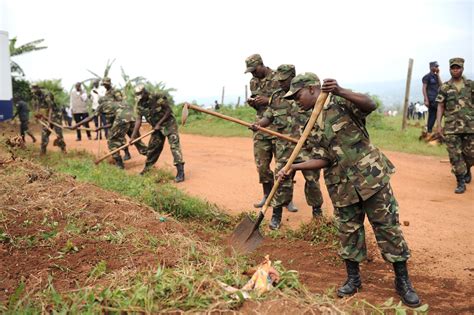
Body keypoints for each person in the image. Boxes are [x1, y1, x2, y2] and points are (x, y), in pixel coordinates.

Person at [279, 73, 420, 307]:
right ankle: (353, 279)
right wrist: (293, 166)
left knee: (388, 229)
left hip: (371, 179)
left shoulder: (341, 102)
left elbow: (370, 104)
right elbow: (323, 159)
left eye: (298, 95)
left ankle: (402, 282)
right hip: (341, 186)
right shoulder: (309, 123)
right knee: (348, 232)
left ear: (313, 89)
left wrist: (341, 90)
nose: (296, 101)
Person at [251, 64, 323, 229]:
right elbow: (269, 116)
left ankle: (317, 214)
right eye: (278, 80)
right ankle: (276, 215)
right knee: (282, 181)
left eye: (283, 81)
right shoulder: (276, 97)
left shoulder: (306, 96)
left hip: (307, 148)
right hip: (284, 149)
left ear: (292, 77)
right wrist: (259, 124)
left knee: (312, 181)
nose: (280, 84)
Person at [70, 77, 147, 168]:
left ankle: (119, 164)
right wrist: (101, 128)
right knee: (136, 139)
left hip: (122, 118)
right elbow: (113, 123)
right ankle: (150, 155)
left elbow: (90, 117)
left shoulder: (102, 105)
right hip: (132, 116)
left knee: (112, 140)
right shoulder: (115, 104)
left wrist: (77, 125)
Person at [245, 54, 280, 208]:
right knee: (262, 165)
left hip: (279, 126)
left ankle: (285, 198)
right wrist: (253, 103)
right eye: (250, 71)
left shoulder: (279, 77)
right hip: (261, 125)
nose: (253, 74)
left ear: (261, 64)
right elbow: (259, 106)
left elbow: (290, 99)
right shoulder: (253, 81)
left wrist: (269, 100)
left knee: (282, 165)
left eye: (254, 70)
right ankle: (267, 195)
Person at [435, 57, 473, 194]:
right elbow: (440, 105)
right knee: (455, 155)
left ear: (462, 69)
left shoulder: (470, 85)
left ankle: (467, 168)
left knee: (470, 154)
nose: (455, 70)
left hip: (470, 126)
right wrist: (439, 125)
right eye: (453, 68)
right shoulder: (445, 87)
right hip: (451, 127)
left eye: (458, 68)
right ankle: (460, 181)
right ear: (450, 69)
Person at [132, 85, 185, 182]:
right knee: (153, 148)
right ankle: (147, 169)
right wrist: (133, 136)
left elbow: (168, 110)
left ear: (144, 92)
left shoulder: (157, 96)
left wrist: (159, 123)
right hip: (156, 128)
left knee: (174, 146)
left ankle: (180, 172)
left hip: (169, 124)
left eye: (141, 95)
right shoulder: (139, 105)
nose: (140, 98)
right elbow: (138, 120)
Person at [31, 84, 67, 155]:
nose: (34, 92)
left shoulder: (46, 94)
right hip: (47, 115)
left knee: (58, 133)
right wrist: (37, 113)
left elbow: (51, 107)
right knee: (44, 133)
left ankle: (63, 150)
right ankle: (42, 152)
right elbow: (38, 105)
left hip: (56, 114)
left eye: (35, 91)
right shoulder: (36, 95)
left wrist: (50, 120)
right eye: (33, 91)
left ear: (38, 89)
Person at [422, 61, 442, 133]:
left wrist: (438, 74)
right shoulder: (427, 77)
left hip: (437, 98)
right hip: (431, 99)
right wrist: (426, 100)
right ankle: (430, 130)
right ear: (431, 67)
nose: (437, 68)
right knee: (434, 114)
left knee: (433, 115)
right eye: (436, 66)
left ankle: (430, 130)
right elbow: (424, 88)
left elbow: (441, 85)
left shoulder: (436, 76)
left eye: (437, 67)